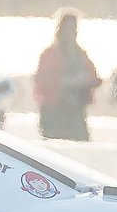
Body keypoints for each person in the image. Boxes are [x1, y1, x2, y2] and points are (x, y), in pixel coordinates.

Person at [34, 8, 102, 140]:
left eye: (74, 28)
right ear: (61, 29)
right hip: (54, 110)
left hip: (75, 111)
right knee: (53, 145)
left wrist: (84, 80)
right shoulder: (50, 54)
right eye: (68, 28)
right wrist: (65, 81)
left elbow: (96, 79)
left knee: (80, 144)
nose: (71, 32)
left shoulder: (81, 54)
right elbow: (41, 80)